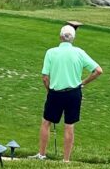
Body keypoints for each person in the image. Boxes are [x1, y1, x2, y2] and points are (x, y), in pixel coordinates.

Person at [32, 24, 103, 161]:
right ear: (73, 39)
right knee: (69, 125)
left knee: (46, 122)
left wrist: (49, 91)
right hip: (74, 93)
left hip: (55, 93)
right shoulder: (79, 52)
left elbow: (45, 77)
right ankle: (66, 160)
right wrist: (82, 83)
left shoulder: (51, 52)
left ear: (60, 37)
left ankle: (41, 154)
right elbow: (98, 70)